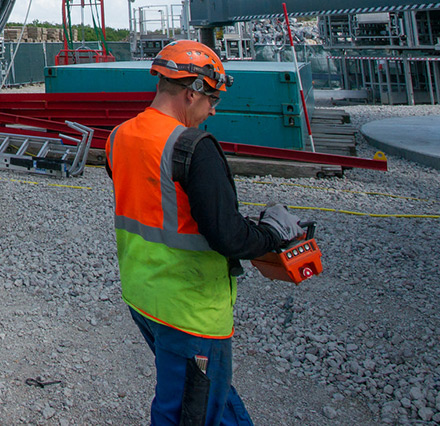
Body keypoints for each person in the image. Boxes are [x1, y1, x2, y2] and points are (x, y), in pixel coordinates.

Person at [106, 39, 308, 426]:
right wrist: (272, 234)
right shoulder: (191, 147)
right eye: (211, 100)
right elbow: (227, 236)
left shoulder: (120, 138)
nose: (213, 111)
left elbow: (160, 207)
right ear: (190, 93)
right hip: (190, 311)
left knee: (209, 395)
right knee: (184, 413)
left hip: (143, 298)